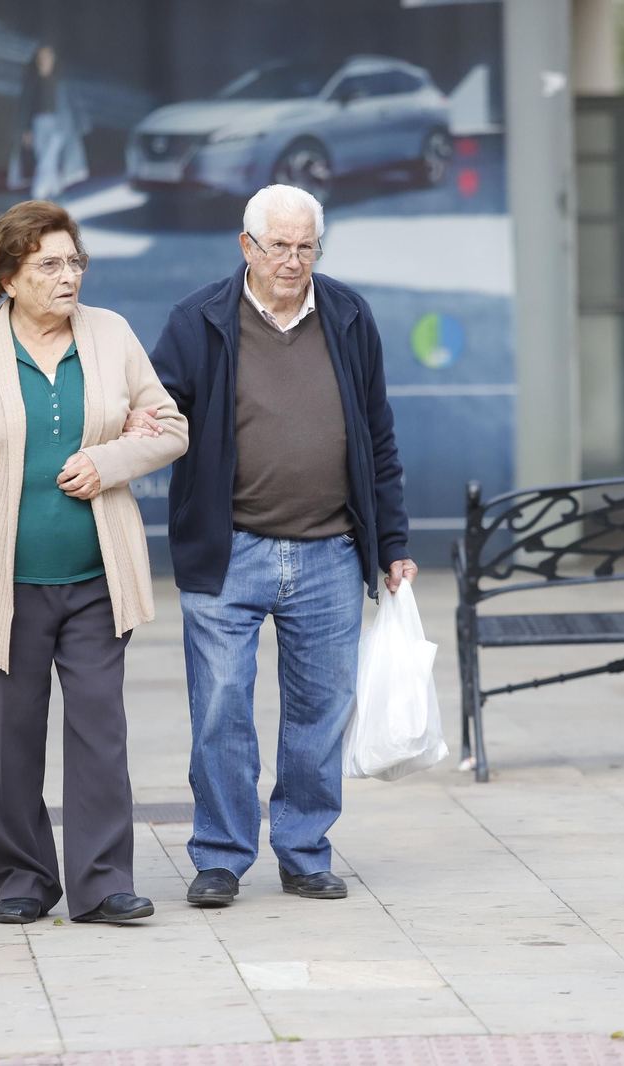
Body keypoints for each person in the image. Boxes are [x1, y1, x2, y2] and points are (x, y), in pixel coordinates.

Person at [0, 200, 187, 925]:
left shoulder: (111, 337)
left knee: (98, 733)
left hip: (94, 581)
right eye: (48, 264)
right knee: (3, 743)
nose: (68, 276)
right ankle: (22, 878)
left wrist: (110, 458)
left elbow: (171, 426)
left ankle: (102, 882)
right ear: (8, 277)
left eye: (74, 261)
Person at [147, 184, 416, 909]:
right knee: (221, 707)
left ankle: (304, 849)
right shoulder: (198, 319)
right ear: (247, 247)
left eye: (305, 247)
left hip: (331, 550)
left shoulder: (350, 316)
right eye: (278, 246)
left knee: (320, 712)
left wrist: (391, 540)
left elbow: (378, 436)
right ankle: (221, 857)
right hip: (227, 550)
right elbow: (156, 415)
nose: (292, 261)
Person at [8, 44, 88, 200]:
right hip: (38, 124)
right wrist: (25, 129)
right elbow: (25, 107)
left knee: (49, 155)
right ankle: (54, 189)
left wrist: (79, 124)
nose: (45, 60)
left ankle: (39, 191)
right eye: (41, 57)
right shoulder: (31, 81)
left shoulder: (61, 79)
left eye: (48, 56)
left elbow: (72, 103)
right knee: (43, 156)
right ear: (37, 59)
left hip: (59, 124)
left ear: (53, 58)